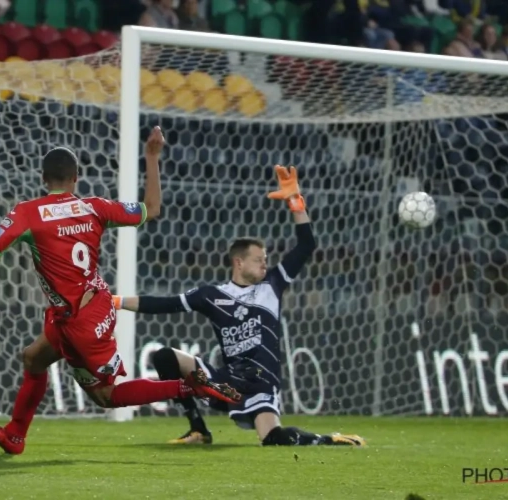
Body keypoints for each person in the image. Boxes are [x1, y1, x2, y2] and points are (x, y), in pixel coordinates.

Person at [0, 127, 240, 455]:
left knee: (107, 397)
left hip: (79, 323)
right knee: (33, 358)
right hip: (92, 306)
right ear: (77, 177)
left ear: (43, 178)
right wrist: (152, 157)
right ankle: (15, 435)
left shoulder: (28, 213)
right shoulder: (94, 207)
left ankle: (188, 387)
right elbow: (151, 209)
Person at [114, 165, 365, 447]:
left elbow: (306, 245)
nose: (265, 264)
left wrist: (295, 200)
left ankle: (330, 440)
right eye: (259, 259)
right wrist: (116, 302)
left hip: (260, 383)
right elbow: (165, 304)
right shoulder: (211, 294)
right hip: (225, 384)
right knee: (164, 357)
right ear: (239, 262)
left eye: (265, 259)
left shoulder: (271, 286)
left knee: (273, 438)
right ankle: (198, 429)